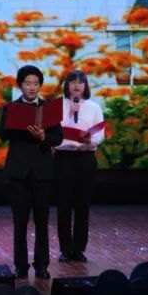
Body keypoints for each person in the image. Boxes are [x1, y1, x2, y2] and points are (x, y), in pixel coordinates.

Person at [0, 64, 62, 279]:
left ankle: (41, 265)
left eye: (36, 83)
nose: (32, 87)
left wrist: (44, 137)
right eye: (28, 83)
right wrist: (22, 128)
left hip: (42, 173)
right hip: (18, 173)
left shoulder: (49, 108)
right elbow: (2, 133)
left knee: (42, 222)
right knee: (20, 222)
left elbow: (58, 137)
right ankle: (21, 266)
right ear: (20, 85)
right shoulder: (11, 108)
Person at [55, 69, 104, 262]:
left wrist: (90, 141)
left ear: (85, 86)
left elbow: (100, 133)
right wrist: (71, 113)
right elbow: (54, 133)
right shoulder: (57, 106)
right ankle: (65, 249)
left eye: (80, 82)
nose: (76, 85)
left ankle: (79, 249)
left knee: (82, 206)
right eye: (73, 82)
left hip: (85, 158)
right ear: (67, 85)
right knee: (64, 205)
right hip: (63, 158)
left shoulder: (94, 107)